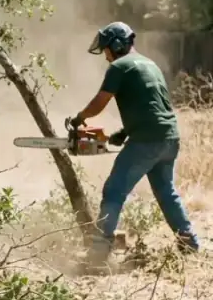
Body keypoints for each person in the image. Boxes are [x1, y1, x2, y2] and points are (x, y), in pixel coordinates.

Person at [70, 21, 199, 265]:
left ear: (117, 45)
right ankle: (189, 243)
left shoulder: (119, 66)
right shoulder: (149, 64)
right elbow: (153, 105)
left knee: (114, 190)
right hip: (170, 138)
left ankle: (99, 251)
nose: (106, 55)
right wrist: (124, 131)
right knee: (166, 192)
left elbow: (100, 101)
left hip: (146, 141)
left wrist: (79, 118)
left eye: (106, 49)